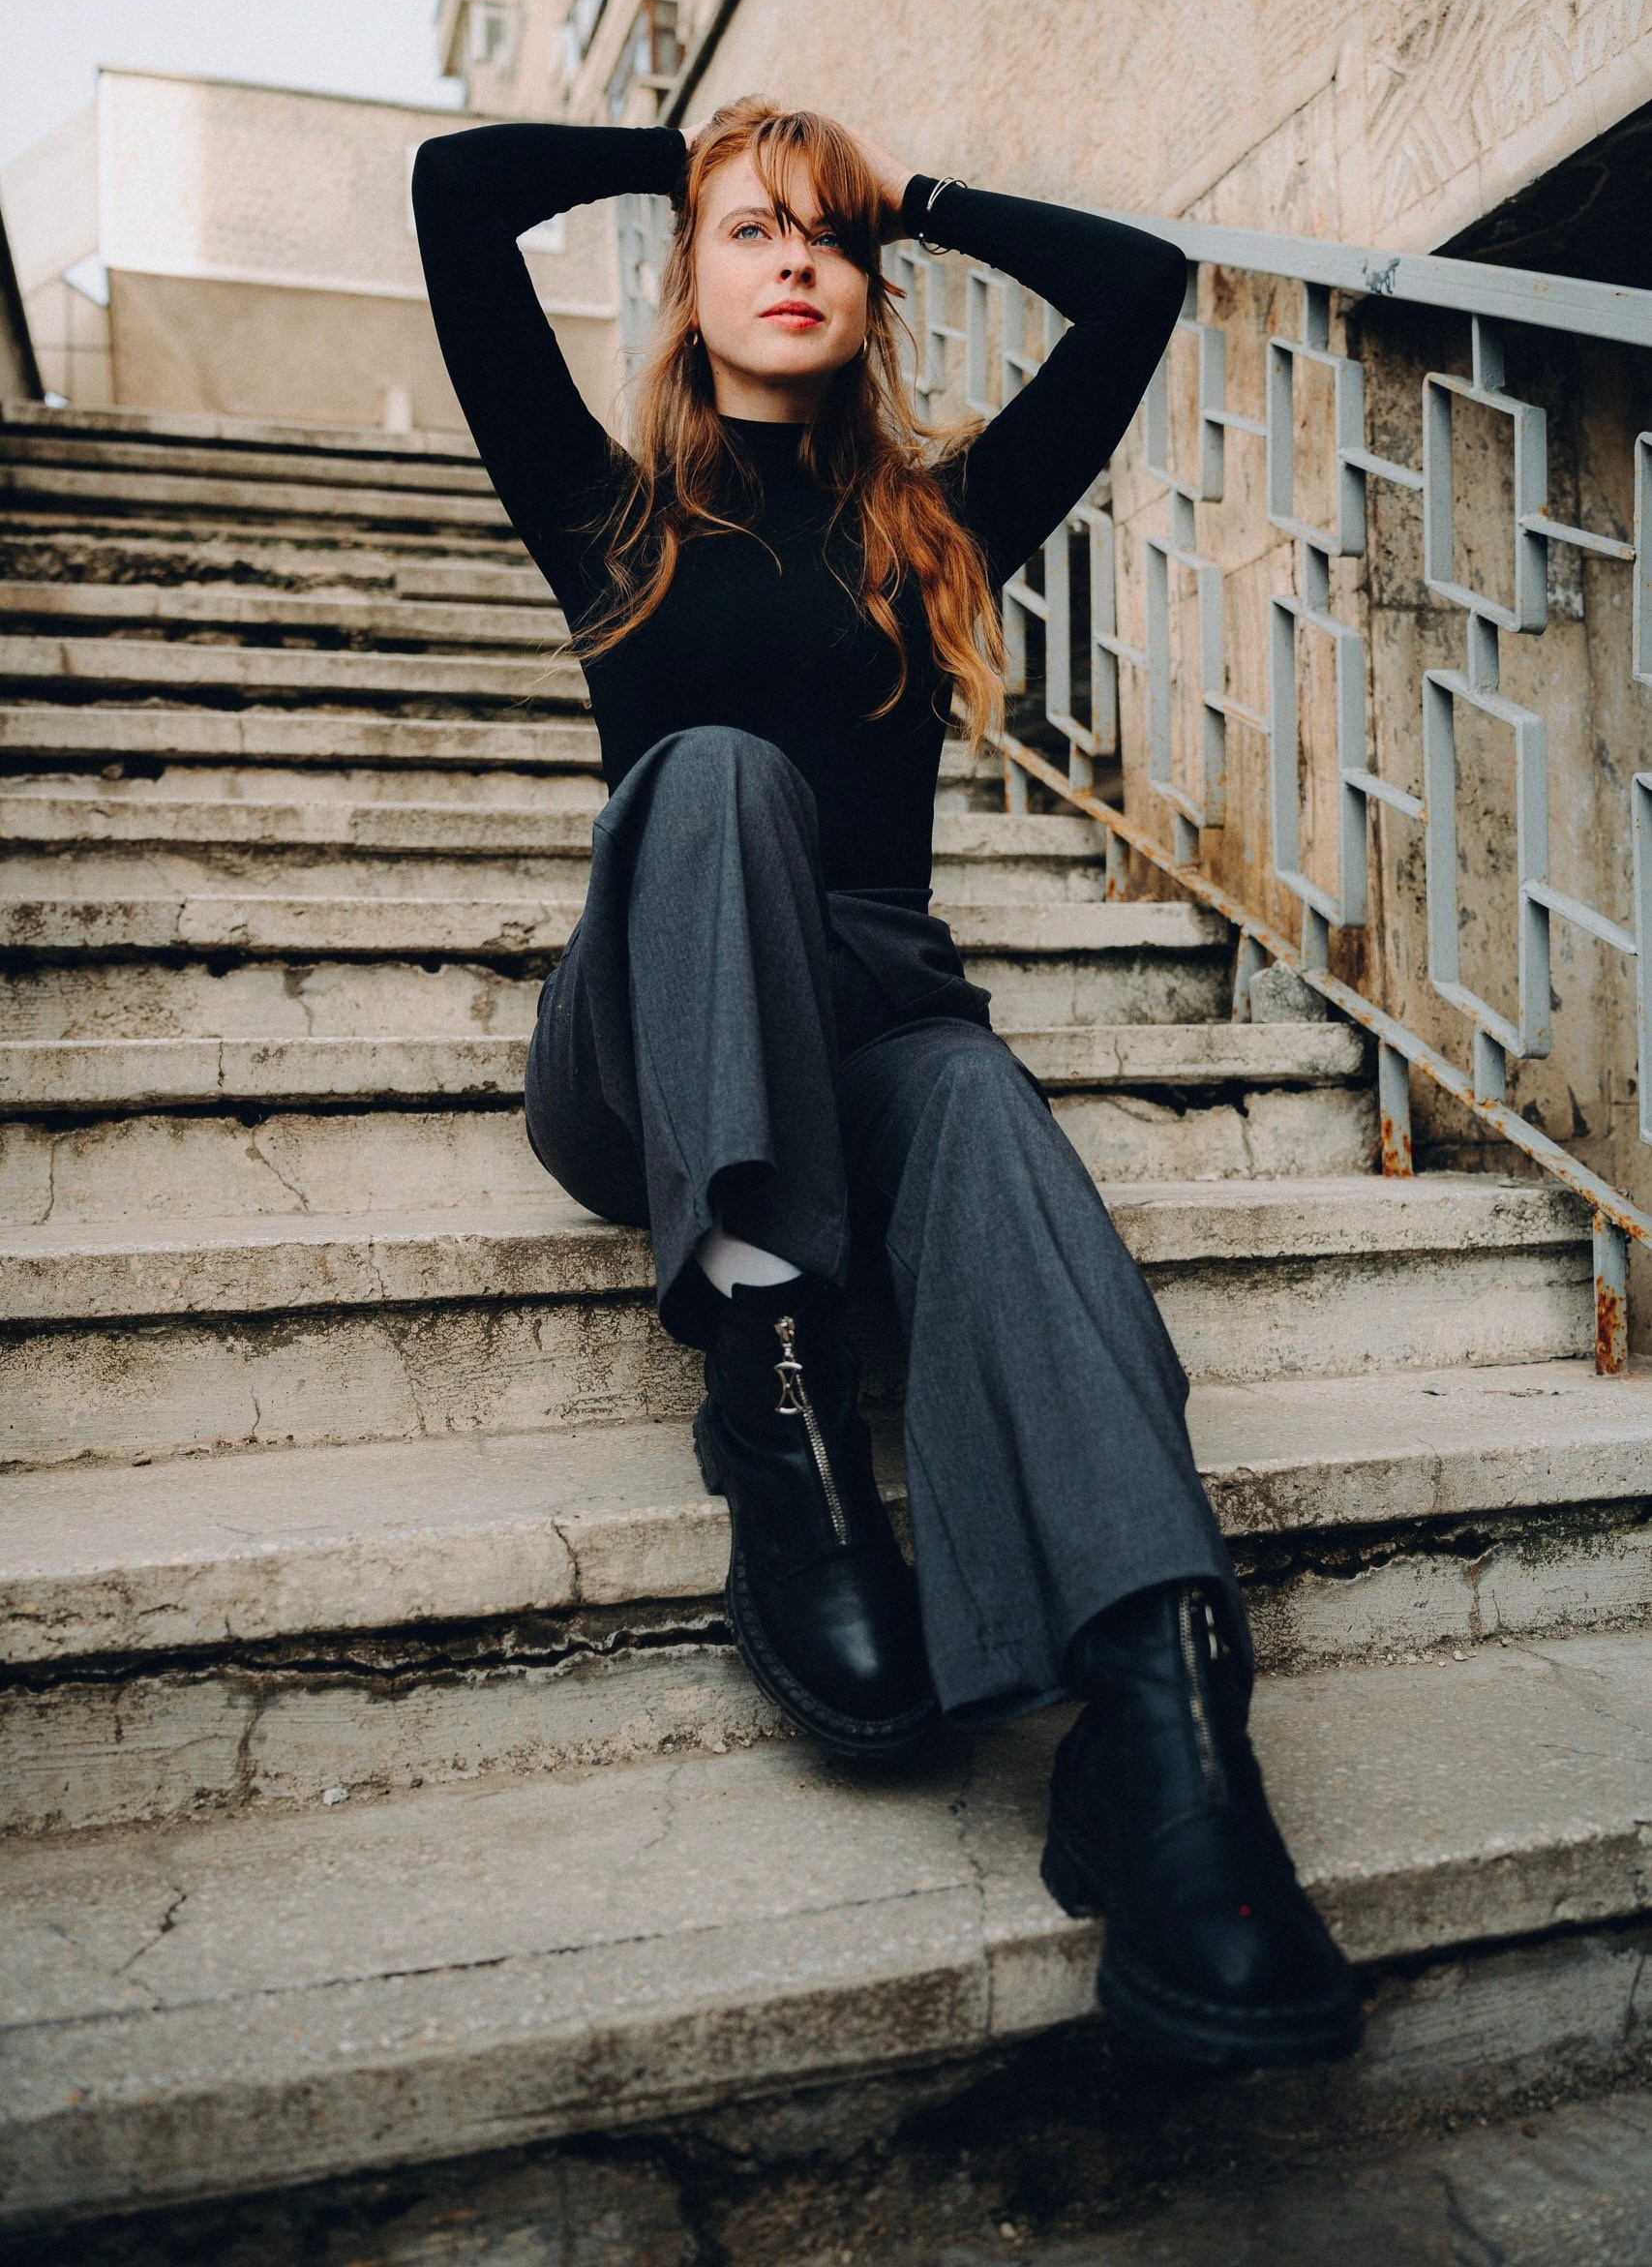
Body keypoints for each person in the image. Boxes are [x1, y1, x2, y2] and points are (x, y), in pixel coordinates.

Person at [413, 100, 1361, 2071]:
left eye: (828, 240)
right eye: (751, 233)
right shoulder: (604, 514)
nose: (795, 260)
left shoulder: (925, 527)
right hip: (649, 1048)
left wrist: (905, 193)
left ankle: (1167, 1742)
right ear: (687, 277)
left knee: (986, 1115)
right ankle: (780, 1418)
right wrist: (681, 151)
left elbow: (1136, 288)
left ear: (871, 289)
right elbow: (455, 195)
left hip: (872, 1029)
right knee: (715, 775)